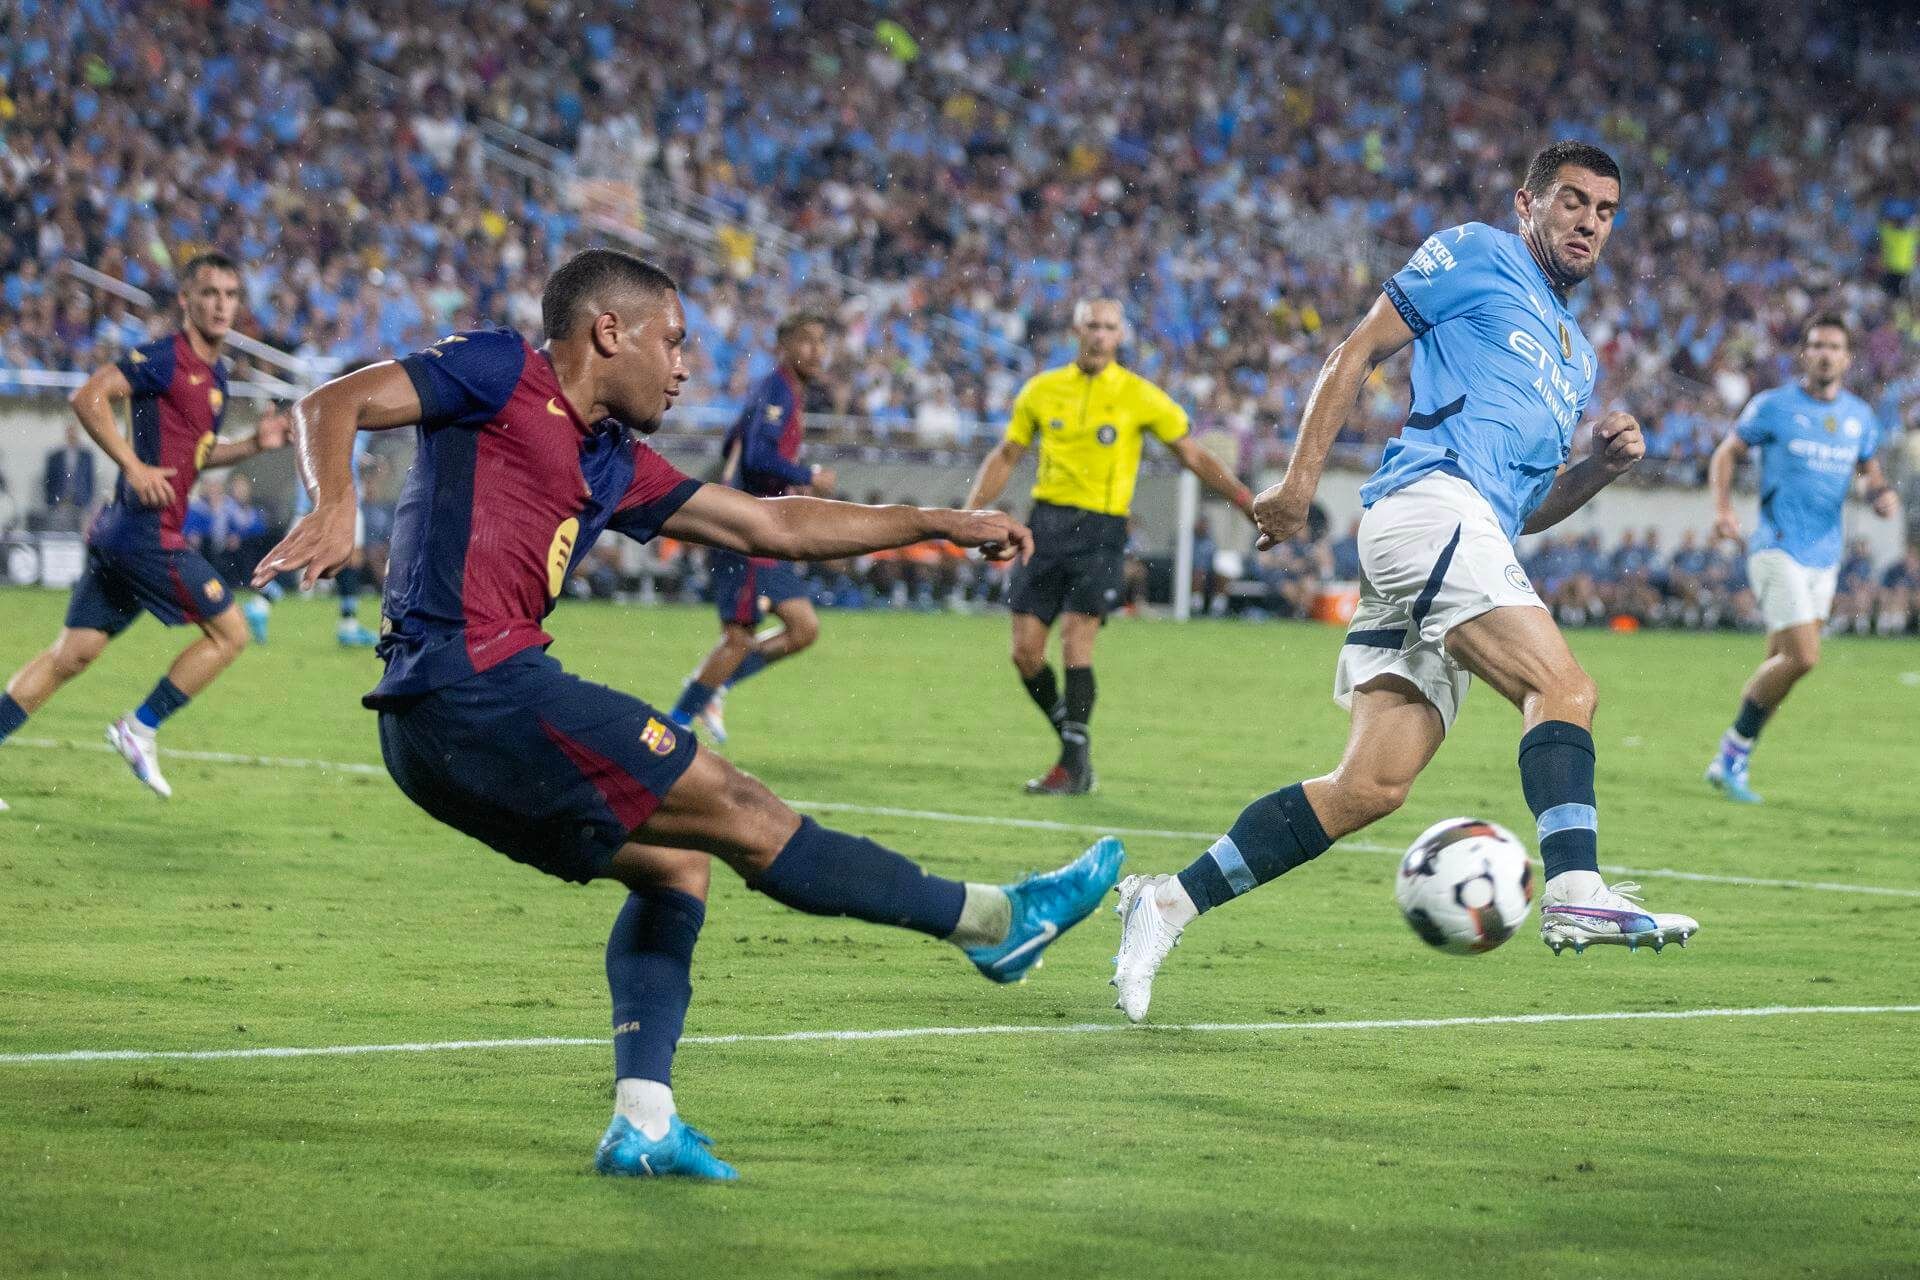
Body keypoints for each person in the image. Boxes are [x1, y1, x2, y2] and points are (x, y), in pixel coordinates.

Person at [251, 249, 1124, 1181]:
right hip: (476, 689)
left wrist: (933, 521)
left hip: (429, 733)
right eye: (673, 342)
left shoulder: (611, 460)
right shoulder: (502, 369)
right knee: (744, 812)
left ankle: (645, 1121)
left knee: (675, 868)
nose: (684, 366)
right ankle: (994, 923)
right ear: (608, 332)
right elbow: (328, 403)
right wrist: (336, 500)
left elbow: (770, 525)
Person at [1109, 141, 1700, 1023]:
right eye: (1571, 201)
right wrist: (1300, 484)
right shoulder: (1476, 252)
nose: (1588, 221)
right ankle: (1576, 883)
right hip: (1429, 510)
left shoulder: (1575, 359)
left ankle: (1163, 903)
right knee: (1564, 687)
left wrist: (1599, 472)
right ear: (1527, 203)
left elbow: (1526, 509)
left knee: (1370, 788)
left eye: (1606, 211)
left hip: (1468, 528)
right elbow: (1355, 353)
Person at [0, 253, 287, 803]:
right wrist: (132, 466)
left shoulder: (217, 376)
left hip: (122, 534)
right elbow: (87, 396)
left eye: (231, 294)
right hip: (147, 534)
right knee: (232, 633)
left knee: (73, 655)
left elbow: (193, 456)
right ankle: (141, 726)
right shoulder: (164, 358)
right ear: (186, 299)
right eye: (210, 293)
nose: (222, 304)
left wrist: (252, 445)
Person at [963, 298, 1255, 795]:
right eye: (1091, 325)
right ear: (1077, 329)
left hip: (1101, 530)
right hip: (1046, 526)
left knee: (1077, 643)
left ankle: (1072, 768)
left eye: (1109, 327)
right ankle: (1075, 753)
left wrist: (1245, 500)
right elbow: (1008, 453)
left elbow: (1192, 454)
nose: (1099, 334)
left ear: (1121, 336)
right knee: (1025, 653)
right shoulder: (1041, 390)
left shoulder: (1140, 396)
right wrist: (967, 516)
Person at [1704, 316, 1900, 803]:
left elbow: (1870, 471)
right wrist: (1724, 511)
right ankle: (1731, 753)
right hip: (1777, 546)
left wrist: (1880, 495)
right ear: (1804, 355)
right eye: (1816, 345)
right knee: (1804, 656)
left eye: (1834, 346)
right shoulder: (1773, 407)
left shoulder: (1859, 417)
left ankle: (1732, 761)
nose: (1826, 354)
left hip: (1825, 557)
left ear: (1848, 359)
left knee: (1782, 665)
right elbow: (1726, 454)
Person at [668, 314, 836, 744]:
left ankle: (711, 688)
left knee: (803, 628)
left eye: (822, 341)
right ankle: (673, 728)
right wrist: (806, 474)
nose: (817, 351)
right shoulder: (777, 388)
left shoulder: (781, 391)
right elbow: (758, 457)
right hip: (745, 533)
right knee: (739, 639)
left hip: (761, 532)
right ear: (784, 345)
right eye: (807, 341)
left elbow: (735, 444)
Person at [41, 423, 96, 530]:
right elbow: (49, 479)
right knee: (58, 529)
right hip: (60, 501)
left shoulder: (86, 455)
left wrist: (88, 499)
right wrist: (51, 499)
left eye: (74, 432)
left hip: (81, 500)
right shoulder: (55, 456)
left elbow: (90, 479)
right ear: (66, 433)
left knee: (81, 530)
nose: (72, 435)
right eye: (70, 432)